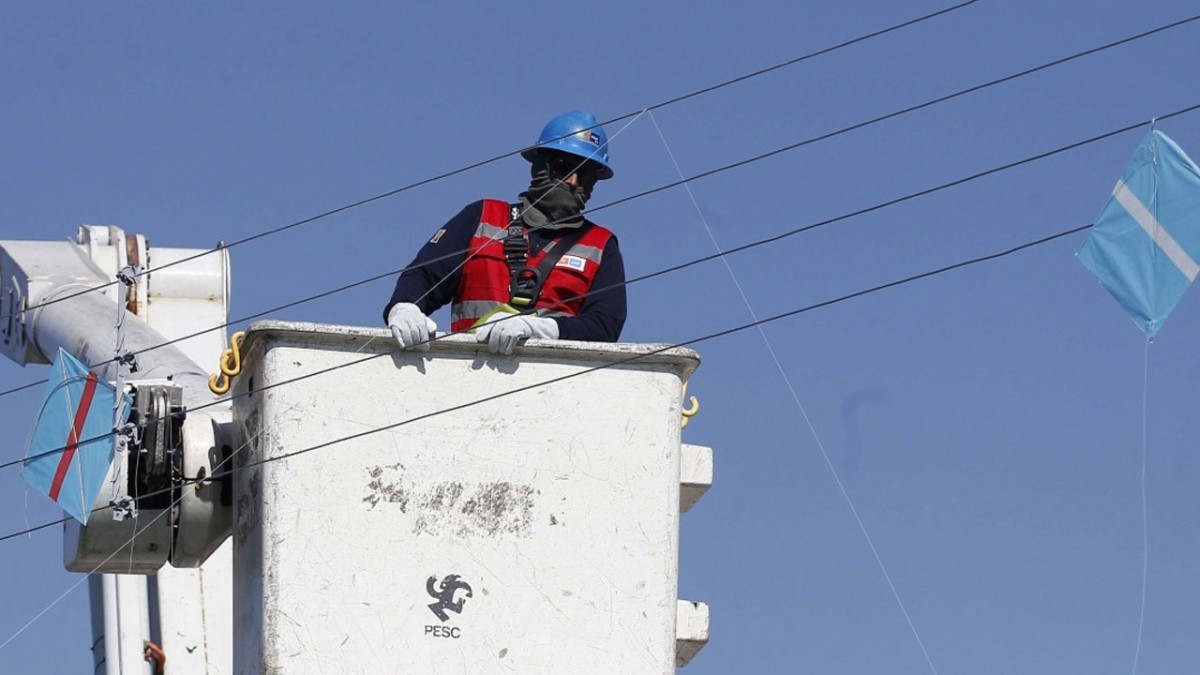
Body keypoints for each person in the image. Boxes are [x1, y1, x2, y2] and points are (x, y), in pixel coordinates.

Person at [383, 110, 627, 355]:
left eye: (585, 175)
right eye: (563, 169)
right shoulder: (482, 217)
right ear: (540, 166)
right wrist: (404, 307)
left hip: (553, 382)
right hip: (468, 370)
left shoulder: (601, 245)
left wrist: (539, 329)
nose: (574, 182)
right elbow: (424, 275)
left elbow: (604, 325)